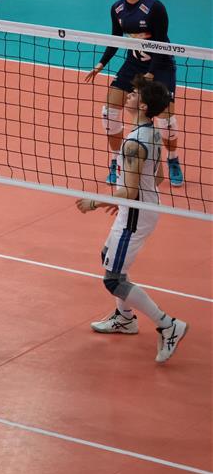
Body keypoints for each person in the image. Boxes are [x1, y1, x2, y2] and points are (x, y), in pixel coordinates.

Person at [76, 76, 188, 363]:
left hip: (137, 214)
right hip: (138, 208)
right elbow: (158, 177)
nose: (128, 95)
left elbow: (129, 189)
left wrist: (94, 202)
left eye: (134, 93)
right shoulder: (152, 133)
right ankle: (125, 318)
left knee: (113, 280)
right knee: (107, 256)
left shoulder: (134, 143)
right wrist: (126, 199)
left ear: (144, 105)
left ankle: (168, 324)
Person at [84, 0, 183, 188]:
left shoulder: (154, 7)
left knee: (166, 120)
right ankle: (116, 161)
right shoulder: (117, 8)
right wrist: (101, 64)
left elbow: (161, 43)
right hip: (133, 64)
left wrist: (151, 72)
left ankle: (173, 159)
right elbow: (115, 39)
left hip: (161, 65)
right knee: (108, 113)